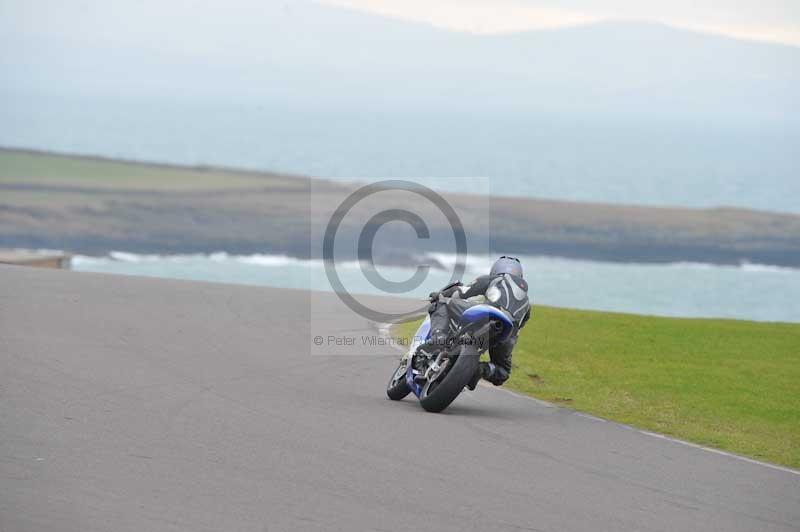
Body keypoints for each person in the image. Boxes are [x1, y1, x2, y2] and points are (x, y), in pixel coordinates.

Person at [418, 256, 531, 389]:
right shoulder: (528, 304)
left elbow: (462, 292)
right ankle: (479, 370)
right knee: (503, 372)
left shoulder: (494, 279)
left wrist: (441, 294)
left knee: (442, 303)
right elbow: (520, 326)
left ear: (496, 268)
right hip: (505, 334)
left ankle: (439, 337)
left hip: (487, 315)